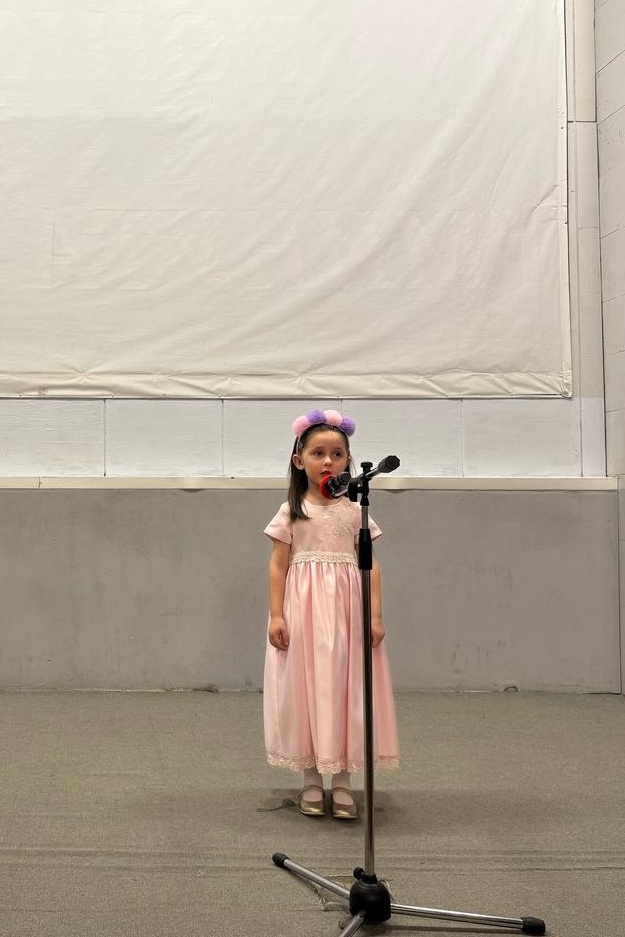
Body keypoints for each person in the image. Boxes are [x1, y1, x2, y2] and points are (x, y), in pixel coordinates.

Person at [263, 408, 399, 820]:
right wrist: (276, 615)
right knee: (306, 687)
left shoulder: (354, 512)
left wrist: (375, 615)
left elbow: (372, 564)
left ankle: (342, 781)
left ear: (348, 462)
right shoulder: (292, 511)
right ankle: (310, 777)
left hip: (346, 612)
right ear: (298, 460)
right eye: (318, 453)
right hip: (303, 611)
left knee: (345, 688)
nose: (328, 461)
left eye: (337, 454)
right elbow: (278, 565)